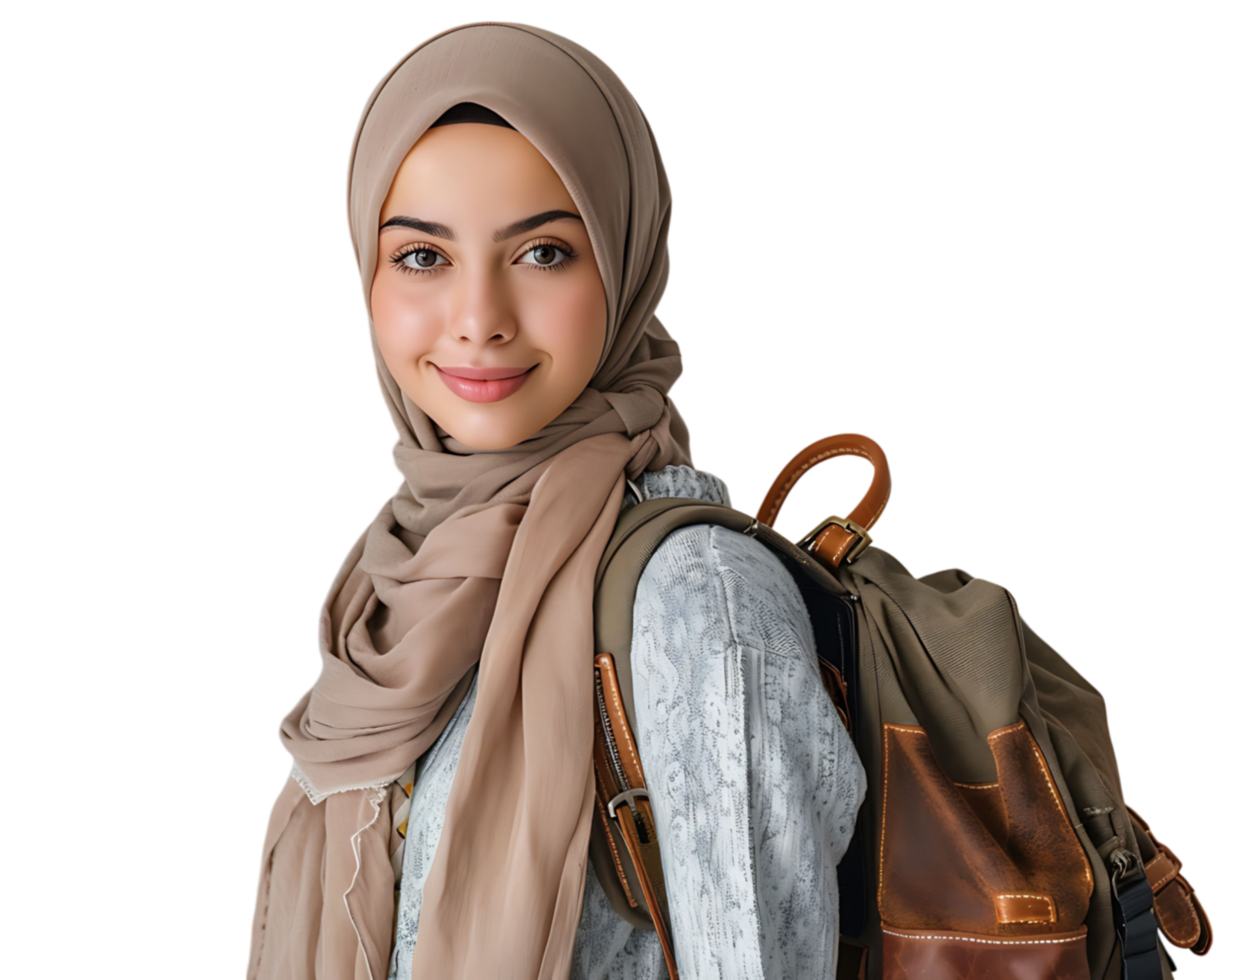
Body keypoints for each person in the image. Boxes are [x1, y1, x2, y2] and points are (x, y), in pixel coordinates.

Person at [248, 20, 866, 980]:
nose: (480, 319)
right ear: (361, 280)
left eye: (542, 253)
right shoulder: (386, 581)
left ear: (625, 265)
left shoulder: (698, 601)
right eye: (422, 256)